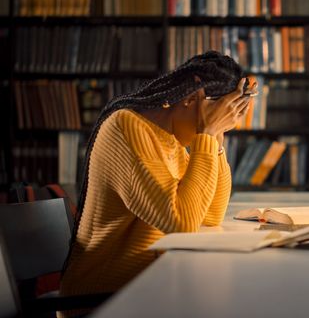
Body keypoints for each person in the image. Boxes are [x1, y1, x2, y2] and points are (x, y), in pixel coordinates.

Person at [59, 51, 254, 308]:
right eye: (217, 114)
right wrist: (206, 132)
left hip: (146, 286)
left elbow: (210, 214)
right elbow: (182, 223)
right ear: (191, 98)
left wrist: (215, 139)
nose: (220, 123)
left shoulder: (169, 139)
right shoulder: (126, 127)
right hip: (102, 299)